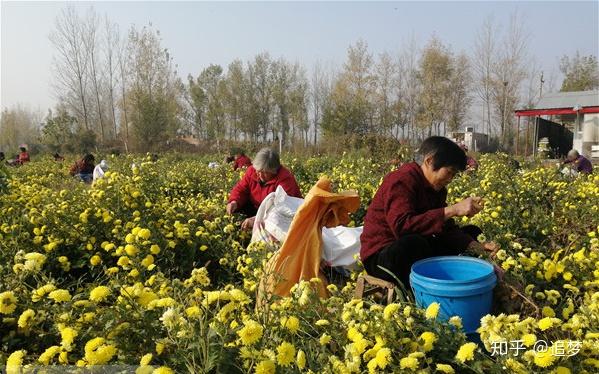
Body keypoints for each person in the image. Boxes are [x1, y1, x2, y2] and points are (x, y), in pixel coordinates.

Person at [360, 136, 499, 288]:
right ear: (429, 161)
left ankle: (466, 282)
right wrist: (452, 210)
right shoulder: (402, 180)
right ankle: (424, 291)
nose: (450, 179)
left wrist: (476, 246)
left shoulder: (437, 189)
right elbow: (402, 227)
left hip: (416, 248)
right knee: (414, 243)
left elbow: (445, 229)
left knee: (472, 233)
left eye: (454, 175)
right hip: (383, 258)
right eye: (449, 172)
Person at [227, 148, 302, 230]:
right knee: (235, 212)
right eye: (258, 171)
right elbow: (241, 189)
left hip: (279, 215)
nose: (260, 175)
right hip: (257, 209)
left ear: (274, 170)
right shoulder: (252, 171)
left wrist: (257, 219)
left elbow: (282, 210)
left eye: (265, 172)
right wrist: (234, 202)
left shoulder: (285, 179)